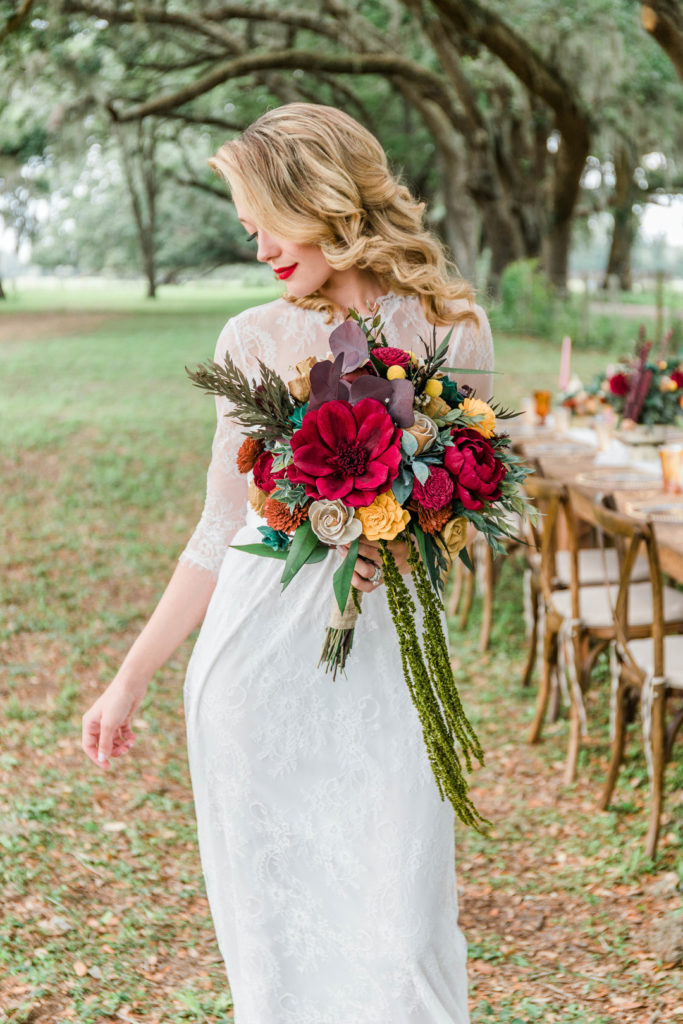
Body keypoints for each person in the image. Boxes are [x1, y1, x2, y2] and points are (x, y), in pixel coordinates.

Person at [82, 103, 494, 1024]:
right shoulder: (251, 339)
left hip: (384, 661)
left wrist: (407, 515)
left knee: (404, 933)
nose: (256, 238)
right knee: (273, 938)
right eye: (245, 223)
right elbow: (214, 531)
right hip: (253, 664)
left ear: (324, 198)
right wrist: (130, 678)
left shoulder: (452, 331)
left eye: (266, 213)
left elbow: (474, 491)